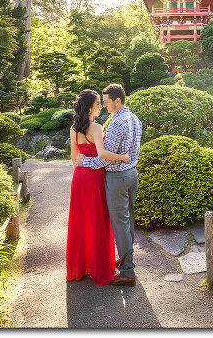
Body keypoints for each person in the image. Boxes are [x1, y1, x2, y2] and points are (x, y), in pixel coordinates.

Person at [76, 84, 142, 287]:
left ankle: (127, 272)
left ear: (118, 101)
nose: (104, 106)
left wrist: (83, 162)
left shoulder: (116, 124)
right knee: (128, 221)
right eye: (101, 102)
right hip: (132, 174)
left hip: (117, 178)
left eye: (106, 102)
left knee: (120, 225)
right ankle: (127, 263)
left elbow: (104, 159)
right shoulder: (134, 119)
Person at [66, 89, 130, 285]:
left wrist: (85, 160)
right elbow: (102, 154)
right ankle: (101, 266)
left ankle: (80, 267)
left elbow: (74, 160)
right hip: (94, 179)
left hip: (79, 179)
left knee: (81, 221)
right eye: (97, 104)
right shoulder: (96, 128)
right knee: (98, 220)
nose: (101, 107)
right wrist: (122, 157)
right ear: (90, 107)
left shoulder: (73, 129)